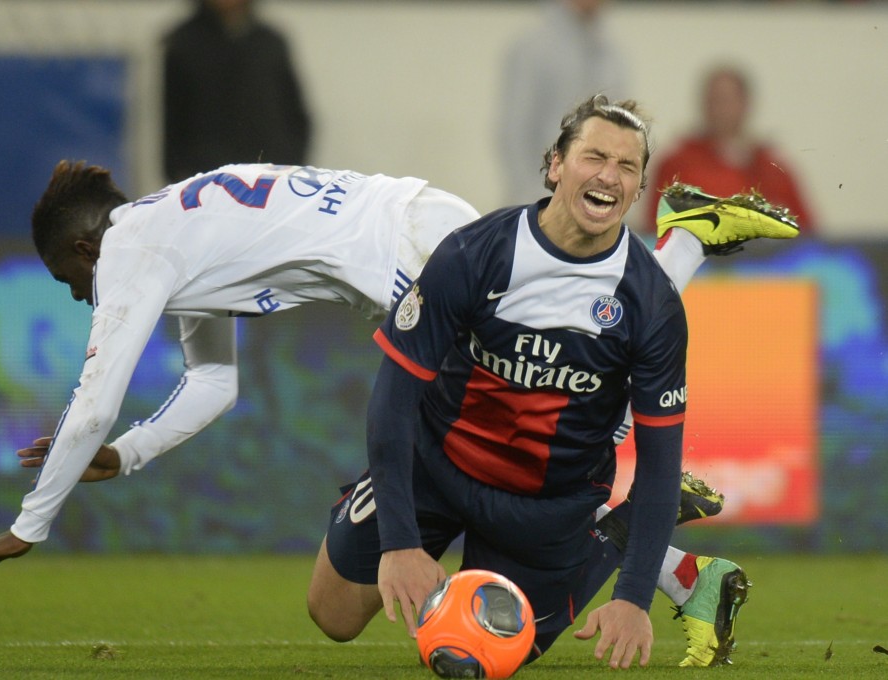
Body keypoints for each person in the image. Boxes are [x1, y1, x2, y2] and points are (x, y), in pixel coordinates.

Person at [0, 131, 796, 665]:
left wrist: (31, 522)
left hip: (415, 249)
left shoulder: (130, 249)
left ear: (86, 247)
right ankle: (666, 541)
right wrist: (129, 455)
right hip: (409, 226)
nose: (84, 297)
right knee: (549, 377)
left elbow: (93, 397)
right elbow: (214, 383)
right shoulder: (176, 241)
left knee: (567, 378)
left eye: (71, 281)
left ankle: (683, 244)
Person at [305, 95, 796, 670]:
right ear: (557, 164)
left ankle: (615, 533)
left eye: (627, 166)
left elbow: (661, 461)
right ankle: (688, 240)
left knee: (488, 656)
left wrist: (633, 597)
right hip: (434, 466)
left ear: (638, 188)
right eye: (594, 157)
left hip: (545, 505)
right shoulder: (474, 253)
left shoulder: (653, 305)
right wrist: (400, 543)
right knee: (332, 615)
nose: (608, 176)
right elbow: (392, 401)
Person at [643, 63, 814, 235]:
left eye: (727, 100)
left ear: (746, 104)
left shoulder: (772, 169)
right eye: (714, 100)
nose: (721, 110)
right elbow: (655, 230)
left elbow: (807, 233)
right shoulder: (677, 164)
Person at [162, 0, 311, 183]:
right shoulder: (183, 43)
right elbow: (173, 117)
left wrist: (292, 162)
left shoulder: (270, 41)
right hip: (208, 176)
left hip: (270, 173)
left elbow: (295, 112)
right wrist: (177, 172)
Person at [498, 0, 628, 205]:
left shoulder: (611, 54)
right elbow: (515, 130)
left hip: (594, 198)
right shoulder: (533, 49)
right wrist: (534, 198)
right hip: (541, 198)